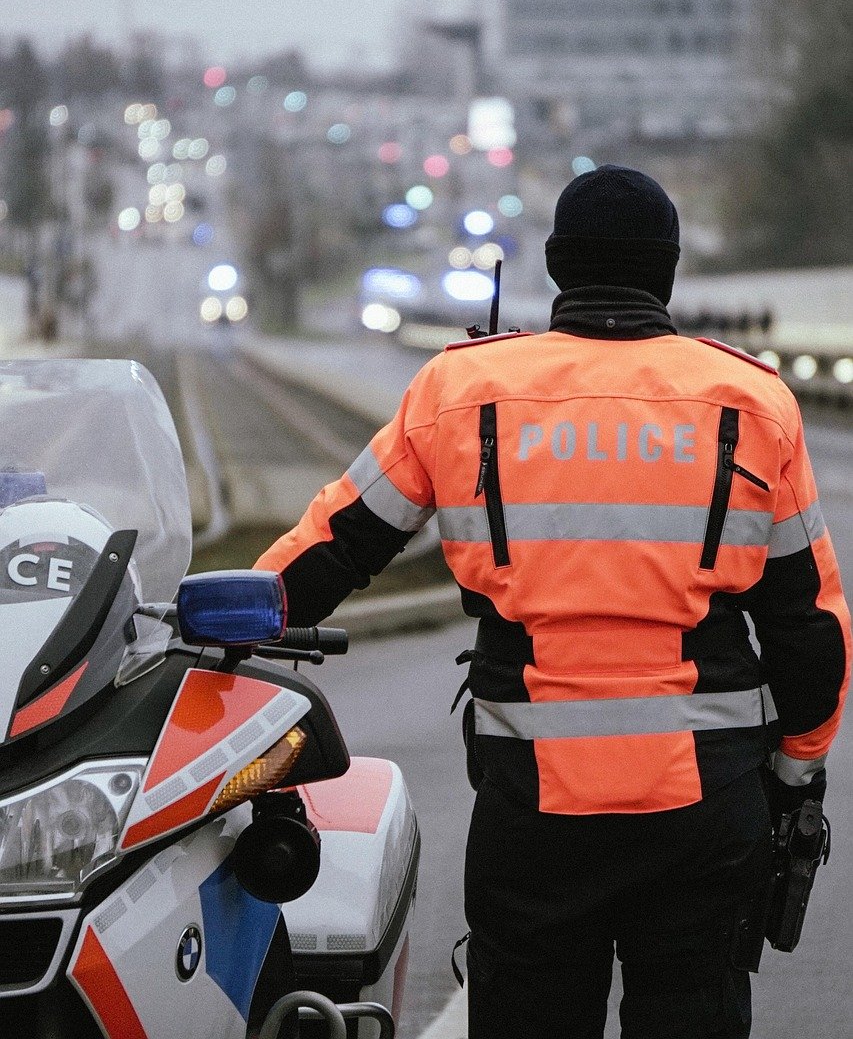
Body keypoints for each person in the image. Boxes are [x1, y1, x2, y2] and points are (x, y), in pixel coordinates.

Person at [254, 165, 850, 1038]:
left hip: (532, 810)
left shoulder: (462, 392)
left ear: (557, 265)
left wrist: (223, 614)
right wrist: (797, 768)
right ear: (668, 270)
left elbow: (333, 546)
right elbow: (808, 624)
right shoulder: (751, 401)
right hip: (705, 807)